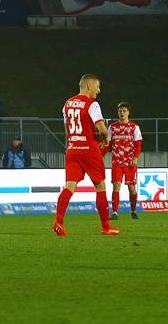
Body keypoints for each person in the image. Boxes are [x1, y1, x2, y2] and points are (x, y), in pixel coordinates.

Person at [53, 74, 119, 237]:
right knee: (100, 186)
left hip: (72, 148)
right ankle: (105, 227)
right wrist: (104, 140)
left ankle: (58, 222)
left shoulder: (67, 104)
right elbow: (102, 129)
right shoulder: (92, 104)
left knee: (69, 186)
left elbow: (67, 129)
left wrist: (73, 141)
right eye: (97, 86)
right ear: (89, 86)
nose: (99, 90)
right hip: (89, 149)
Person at [107, 102, 142, 220]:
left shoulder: (134, 127)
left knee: (131, 188)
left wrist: (135, 158)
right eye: (120, 111)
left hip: (129, 162)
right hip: (117, 162)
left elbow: (138, 144)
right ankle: (115, 212)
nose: (122, 113)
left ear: (128, 112)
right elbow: (108, 144)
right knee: (116, 186)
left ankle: (133, 210)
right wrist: (99, 155)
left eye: (124, 111)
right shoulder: (112, 127)